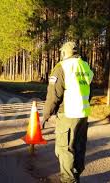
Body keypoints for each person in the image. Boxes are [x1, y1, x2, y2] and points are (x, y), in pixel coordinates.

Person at [42, 41, 94, 183]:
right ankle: (76, 176)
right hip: (83, 114)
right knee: (78, 147)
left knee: (64, 150)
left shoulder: (61, 67)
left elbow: (54, 95)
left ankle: (68, 180)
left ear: (64, 53)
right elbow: (89, 92)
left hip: (68, 114)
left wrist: (45, 115)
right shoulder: (84, 66)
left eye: (61, 52)